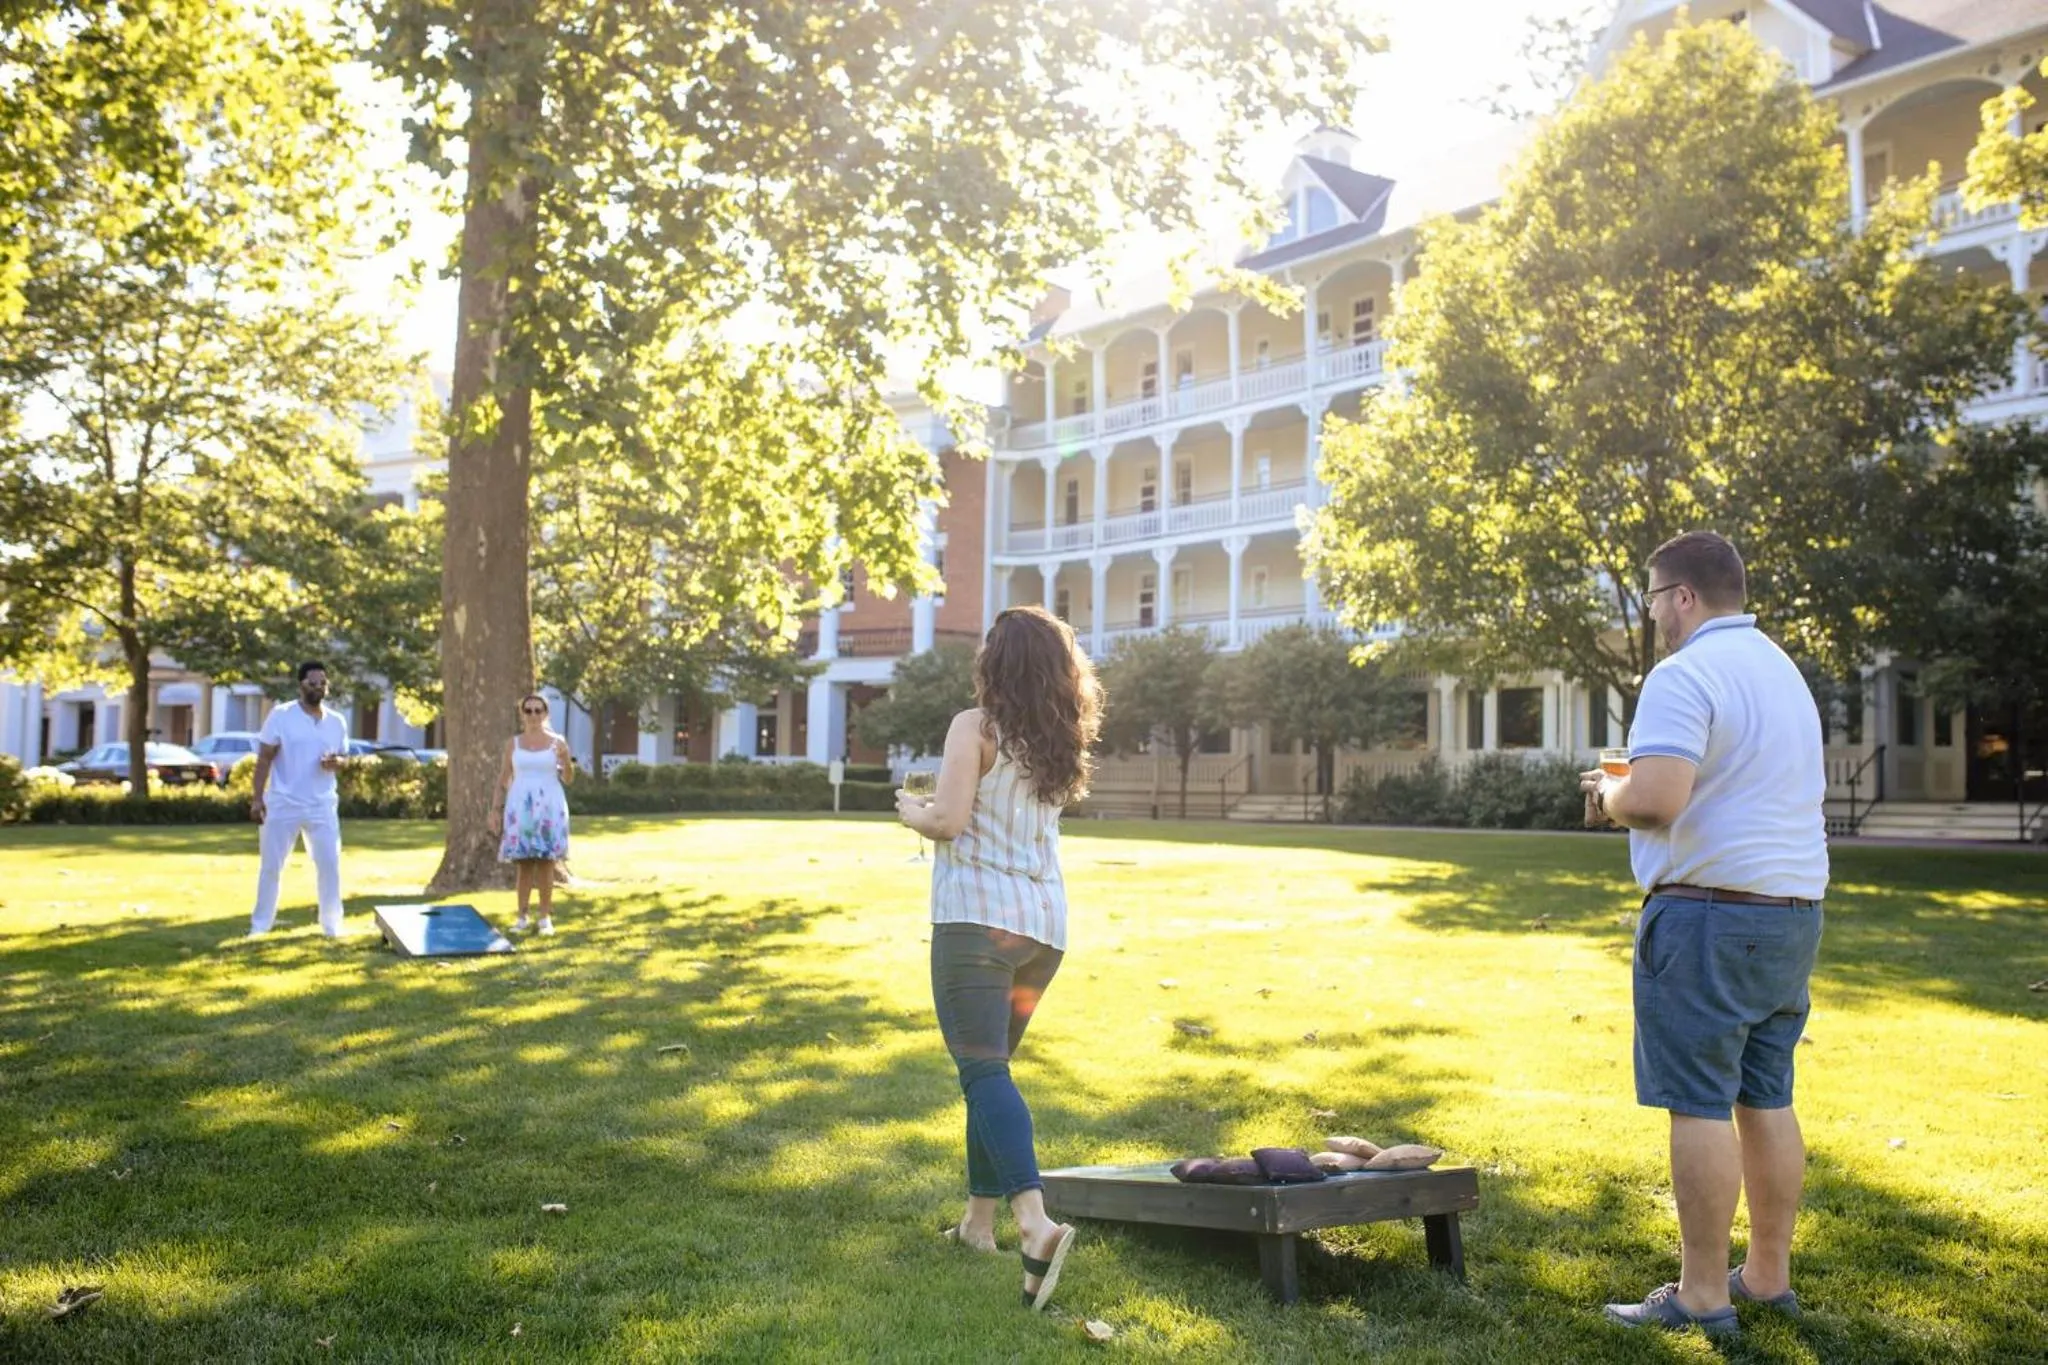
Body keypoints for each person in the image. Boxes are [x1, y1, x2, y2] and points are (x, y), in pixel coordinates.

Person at [1580, 531, 1828, 1339]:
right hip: (1792, 911)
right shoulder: (1782, 671)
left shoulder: (1683, 672)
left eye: (1652, 600)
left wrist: (1606, 794)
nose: (1652, 616)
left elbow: (1655, 798)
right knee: (1767, 1094)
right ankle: (1766, 1276)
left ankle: (1699, 1294)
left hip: (1709, 915)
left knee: (1696, 1102)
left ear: (1682, 596)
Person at [896, 605, 1102, 1312]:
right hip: (1041, 932)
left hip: (976, 926)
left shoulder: (973, 726)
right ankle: (977, 1226)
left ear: (995, 660)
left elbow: (948, 819)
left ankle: (1033, 1221)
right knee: (992, 1076)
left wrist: (909, 809)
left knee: (982, 1073)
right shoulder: (1059, 739)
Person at [249, 661, 350, 937]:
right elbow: (264, 758)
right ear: (301, 685)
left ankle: (332, 926)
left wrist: (336, 762)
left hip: (323, 805)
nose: (318, 688)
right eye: (312, 683)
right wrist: (257, 799)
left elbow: (344, 757)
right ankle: (260, 926)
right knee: (272, 866)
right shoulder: (281, 715)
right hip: (283, 803)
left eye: (322, 683)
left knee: (329, 865)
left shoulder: (337, 721)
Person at [489, 692, 574, 934]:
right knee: (524, 864)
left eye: (538, 710)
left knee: (547, 862)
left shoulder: (557, 742)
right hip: (521, 807)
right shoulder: (513, 744)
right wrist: (496, 809)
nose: (534, 715)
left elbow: (567, 779)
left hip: (549, 806)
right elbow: (503, 777)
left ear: (545, 714)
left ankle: (545, 918)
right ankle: (522, 917)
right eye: (529, 710)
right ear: (522, 714)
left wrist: (566, 759)